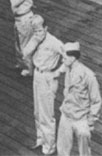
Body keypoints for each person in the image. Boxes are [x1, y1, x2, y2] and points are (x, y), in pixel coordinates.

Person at [25, 15, 65, 156]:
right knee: (37, 111)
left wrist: (59, 71)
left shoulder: (53, 42)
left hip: (48, 77)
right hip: (37, 75)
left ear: (46, 28)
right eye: (35, 31)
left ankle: (49, 147)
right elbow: (25, 53)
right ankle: (41, 140)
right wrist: (35, 39)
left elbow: (69, 56)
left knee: (46, 114)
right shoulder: (36, 39)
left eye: (40, 31)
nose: (38, 34)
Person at [57, 42, 102, 156]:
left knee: (84, 152)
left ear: (72, 58)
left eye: (64, 58)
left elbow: (96, 101)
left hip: (81, 119)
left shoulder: (88, 76)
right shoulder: (68, 68)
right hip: (66, 114)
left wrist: (90, 121)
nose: (62, 61)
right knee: (62, 149)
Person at [8, 0, 34, 77]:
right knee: (17, 43)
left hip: (25, 19)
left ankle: (29, 69)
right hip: (18, 19)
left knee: (25, 44)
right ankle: (21, 63)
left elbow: (14, 2)